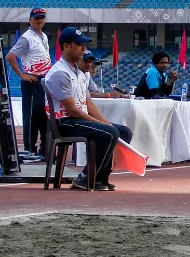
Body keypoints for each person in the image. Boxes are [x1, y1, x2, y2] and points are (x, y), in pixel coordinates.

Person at [44, 27, 132, 191]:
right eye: (79, 45)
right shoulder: (60, 73)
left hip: (77, 120)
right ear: (66, 46)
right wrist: (101, 123)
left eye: (84, 45)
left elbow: (88, 104)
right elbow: (72, 110)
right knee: (109, 132)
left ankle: (99, 177)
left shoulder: (80, 73)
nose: (84, 49)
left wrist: (105, 122)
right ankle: (86, 178)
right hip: (64, 122)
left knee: (124, 131)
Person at [6, 8, 51, 157]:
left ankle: (44, 148)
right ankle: (29, 149)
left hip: (44, 80)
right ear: (30, 20)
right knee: (31, 116)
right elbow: (10, 57)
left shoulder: (43, 36)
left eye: (42, 18)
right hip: (32, 80)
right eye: (37, 18)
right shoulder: (26, 38)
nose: (40, 20)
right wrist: (22, 75)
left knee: (44, 114)